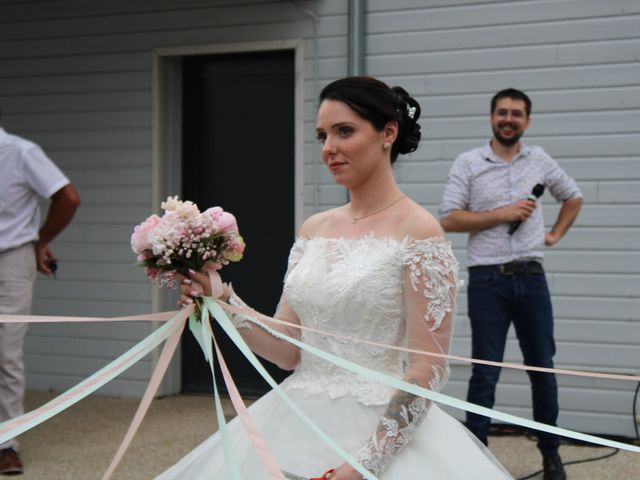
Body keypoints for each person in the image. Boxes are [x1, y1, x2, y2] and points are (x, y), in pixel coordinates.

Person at [156, 76, 513, 479]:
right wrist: (221, 300)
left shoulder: (419, 231)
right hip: (295, 416)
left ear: (388, 133)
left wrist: (364, 463)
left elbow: (427, 369)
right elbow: (289, 349)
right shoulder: (314, 229)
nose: (329, 148)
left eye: (345, 131)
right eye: (322, 135)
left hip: (378, 433)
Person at [438, 88, 583, 480]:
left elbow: (573, 197)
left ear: (527, 121)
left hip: (532, 278)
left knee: (543, 370)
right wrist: (503, 213)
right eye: (502, 112)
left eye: (516, 114)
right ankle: (476, 458)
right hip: (488, 281)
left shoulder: (540, 160)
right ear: (491, 117)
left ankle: (551, 456)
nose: (508, 119)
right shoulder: (469, 162)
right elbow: (449, 218)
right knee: (486, 372)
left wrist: (553, 236)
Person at [0, 120, 80, 475]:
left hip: (10, 257)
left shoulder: (20, 152)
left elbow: (68, 197)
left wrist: (40, 239)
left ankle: (6, 443)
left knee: (6, 352)